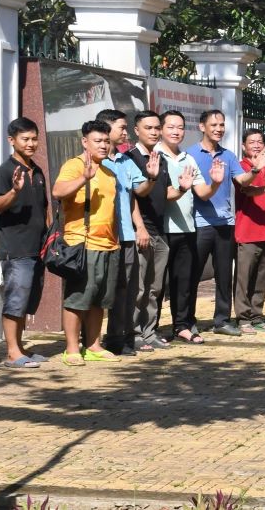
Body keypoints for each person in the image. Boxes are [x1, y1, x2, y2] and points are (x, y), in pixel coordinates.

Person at [188, 109, 265, 337]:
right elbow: (200, 193)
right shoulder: (191, 155)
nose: (218, 129)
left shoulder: (228, 155)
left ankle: (222, 320)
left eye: (222, 125)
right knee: (193, 275)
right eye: (214, 125)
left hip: (225, 223)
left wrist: (254, 169)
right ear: (202, 127)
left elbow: (241, 179)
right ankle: (187, 320)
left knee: (224, 275)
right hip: (200, 223)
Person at [52, 120, 121, 365]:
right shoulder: (75, 165)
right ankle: (71, 348)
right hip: (82, 242)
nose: (103, 146)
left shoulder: (109, 171)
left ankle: (93, 345)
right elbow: (58, 192)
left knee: (99, 300)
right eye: (98, 141)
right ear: (85, 142)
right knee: (77, 298)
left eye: (106, 141)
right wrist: (83, 178)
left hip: (108, 244)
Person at [157, 110, 223, 345]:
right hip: (161, 230)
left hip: (186, 228)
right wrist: (182, 189)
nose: (176, 132)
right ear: (161, 129)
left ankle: (182, 326)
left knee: (183, 281)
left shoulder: (187, 158)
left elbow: (203, 193)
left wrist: (215, 183)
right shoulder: (154, 156)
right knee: (156, 285)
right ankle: (151, 328)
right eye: (171, 127)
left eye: (180, 127)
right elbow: (160, 194)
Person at [98, 109, 159, 356]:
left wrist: (152, 178)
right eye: (121, 127)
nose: (125, 132)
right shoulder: (93, 161)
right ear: (106, 128)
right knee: (100, 291)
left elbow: (137, 193)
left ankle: (118, 338)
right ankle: (88, 339)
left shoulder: (125, 160)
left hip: (125, 236)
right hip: (101, 237)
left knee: (126, 291)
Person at [0, 118, 47, 368]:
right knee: (15, 299)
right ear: (11, 140)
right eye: (25, 139)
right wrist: (14, 191)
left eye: (34, 138)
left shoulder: (37, 170)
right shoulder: (5, 171)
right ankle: (12, 353)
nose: (31, 143)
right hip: (17, 248)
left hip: (38, 247)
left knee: (26, 301)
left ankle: (21, 348)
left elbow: (44, 208)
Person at [127, 111, 173, 351]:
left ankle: (149, 331)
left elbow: (165, 194)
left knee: (155, 288)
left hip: (159, 230)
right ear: (137, 130)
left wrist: (185, 189)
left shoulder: (161, 158)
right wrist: (140, 228)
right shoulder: (129, 158)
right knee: (139, 288)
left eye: (157, 128)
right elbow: (135, 195)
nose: (154, 132)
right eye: (149, 128)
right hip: (140, 231)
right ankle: (133, 333)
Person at [233, 128, 265, 334]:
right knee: (244, 279)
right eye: (251, 142)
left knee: (262, 278)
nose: (256, 145)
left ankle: (257, 315)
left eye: (259, 141)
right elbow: (246, 189)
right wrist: (259, 178)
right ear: (244, 146)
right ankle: (243, 318)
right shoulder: (241, 167)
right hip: (246, 232)